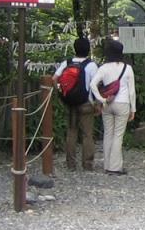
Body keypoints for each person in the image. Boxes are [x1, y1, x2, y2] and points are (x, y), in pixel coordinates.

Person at [89, 38, 136, 175]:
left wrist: (101, 99)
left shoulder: (103, 68)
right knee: (118, 135)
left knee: (108, 134)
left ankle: (107, 165)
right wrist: (133, 109)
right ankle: (115, 167)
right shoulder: (127, 68)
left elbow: (92, 84)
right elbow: (131, 91)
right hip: (123, 103)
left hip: (107, 104)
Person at [54, 35, 99, 172]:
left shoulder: (67, 63)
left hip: (70, 103)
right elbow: (96, 86)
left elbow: (54, 78)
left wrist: (61, 93)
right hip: (86, 104)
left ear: (75, 49)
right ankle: (87, 164)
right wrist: (97, 104)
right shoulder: (91, 65)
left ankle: (71, 164)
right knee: (87, 134)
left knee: (71, 132)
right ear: (88, 49)